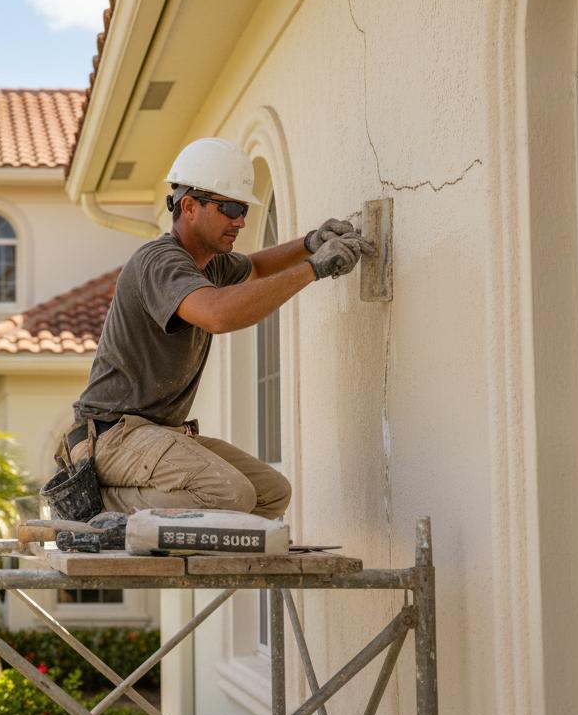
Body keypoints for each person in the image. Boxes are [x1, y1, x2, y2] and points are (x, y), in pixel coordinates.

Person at [61, 137, 374, 520]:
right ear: (189, 206)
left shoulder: (208, 264)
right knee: (231, 495)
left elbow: (256, 269)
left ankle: (148, 516)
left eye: (242, 208)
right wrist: (314, 268)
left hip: (156, 434)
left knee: (271, 495)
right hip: (111, 437)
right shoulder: (160, 261)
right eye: (229, 209)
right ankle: (97, 506)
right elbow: (217, 314)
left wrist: (310, 243)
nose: (240, 220)